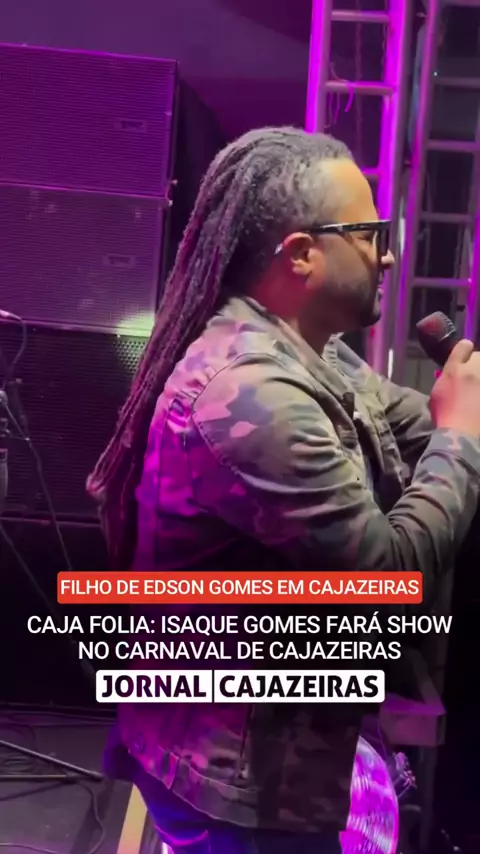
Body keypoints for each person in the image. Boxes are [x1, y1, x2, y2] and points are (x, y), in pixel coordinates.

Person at [88, 127, 480, 853]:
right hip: (237, 791)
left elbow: (412, 427)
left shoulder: (310, 355)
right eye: (371, 235)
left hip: (268, 755)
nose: (388, 255)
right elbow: (386, 580)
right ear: (302, 253)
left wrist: (458, 419)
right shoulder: (248, 392)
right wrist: (462, 436)